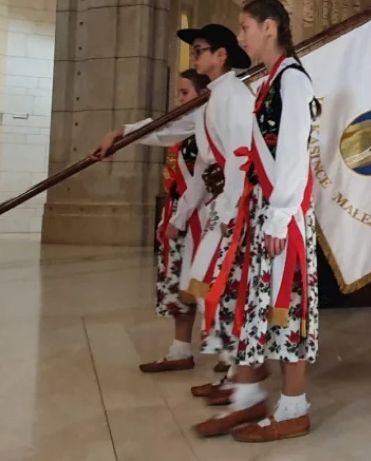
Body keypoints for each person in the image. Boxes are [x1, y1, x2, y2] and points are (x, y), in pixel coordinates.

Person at [91, 24, 253, 393]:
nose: (194, 57)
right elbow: (183, 142)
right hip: (220, 206)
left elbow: (240, 159)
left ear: (221, 54)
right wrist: (122, 135)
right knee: (209, 284)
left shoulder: (233, 96)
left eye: (199, 50)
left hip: (232, 206)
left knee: (225, 285)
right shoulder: (213, 98)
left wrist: (231, 213)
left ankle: (237, 372)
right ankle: (230, 368)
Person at [195, 0, 320, 443]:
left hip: (281, 216)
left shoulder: (292, 80)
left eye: (245, 26)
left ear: (270, 27)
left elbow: (291, 156)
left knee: (285, 306)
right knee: (255, 305)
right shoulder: (269, 80)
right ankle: (246, 401)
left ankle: (294, 408)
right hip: (263, 210)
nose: (241, 35)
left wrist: (279, 217)